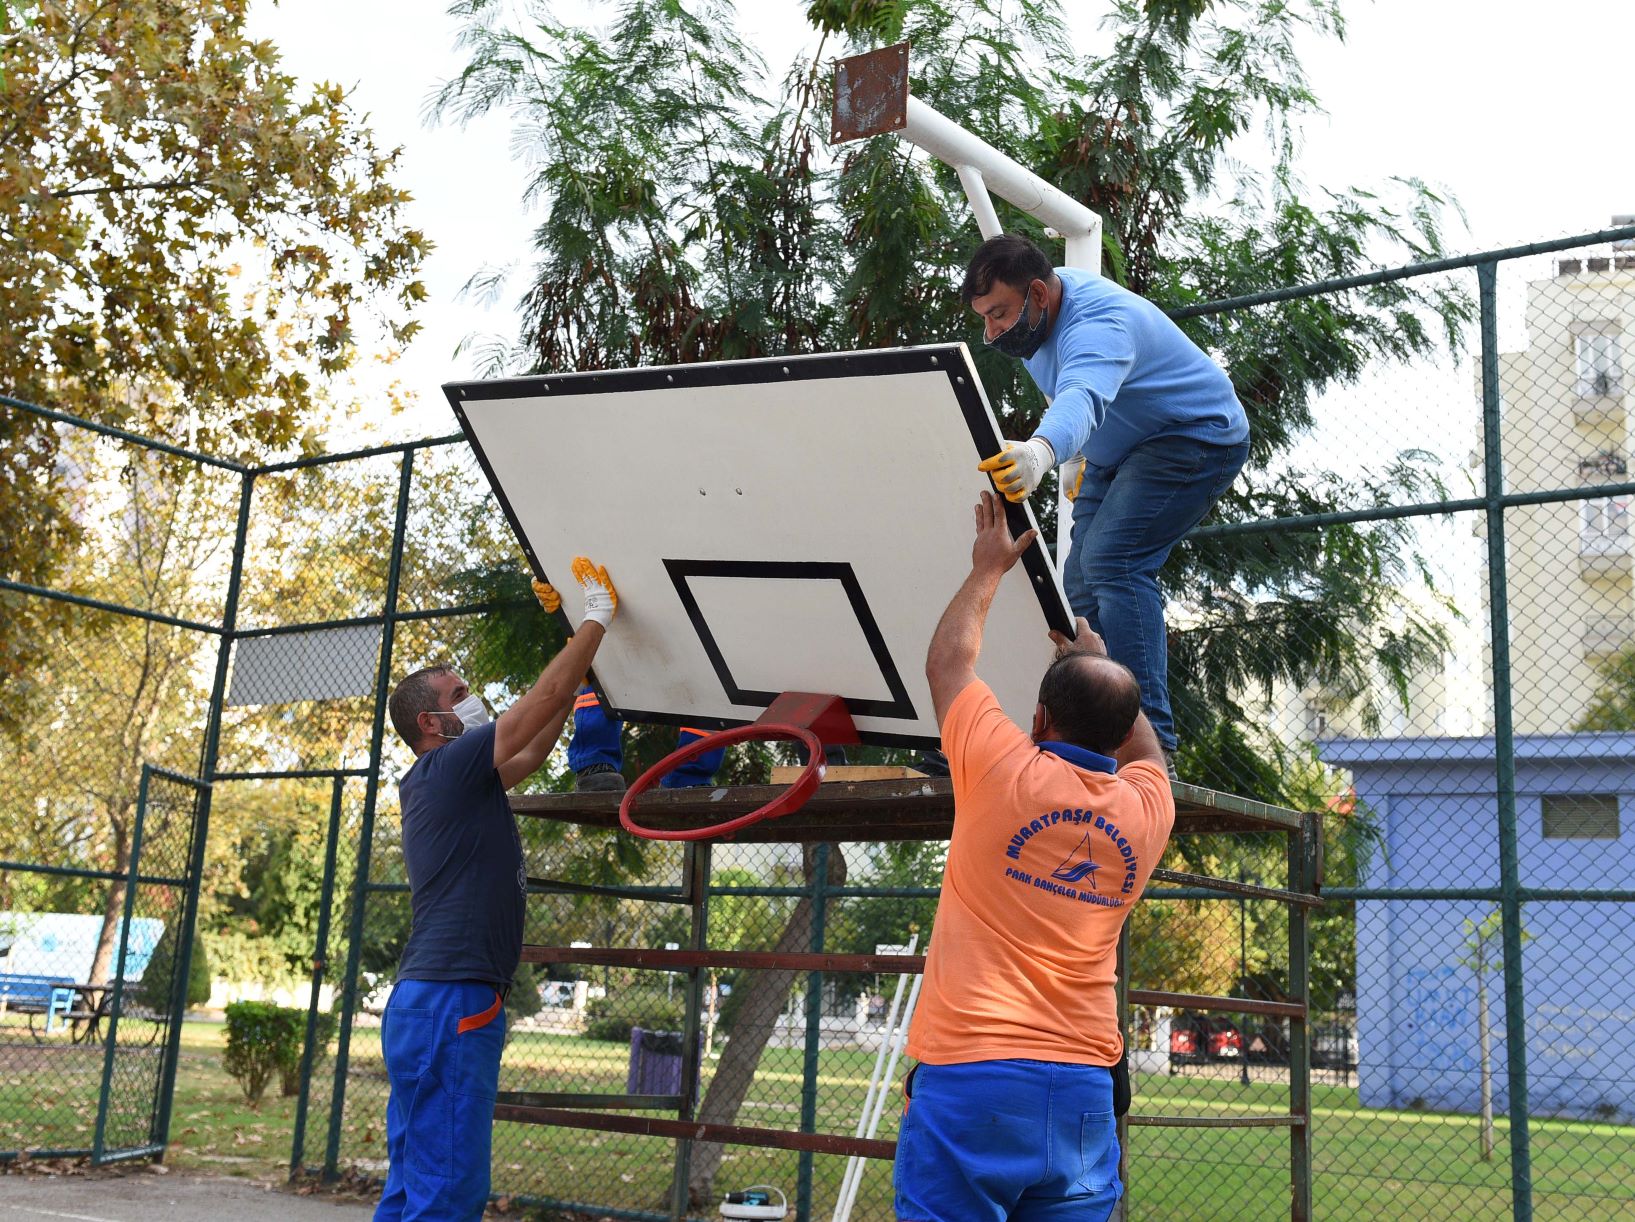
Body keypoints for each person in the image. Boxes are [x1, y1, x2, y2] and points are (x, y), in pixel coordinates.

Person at [893, 492, 1176, 1222]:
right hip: (1083, 1091)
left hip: (972, 1075)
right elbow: (1145, 752)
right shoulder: (1147, 810)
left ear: (1039, 719)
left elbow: (946, 663)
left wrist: (987, 568)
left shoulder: (999, 770)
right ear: (1118, 738)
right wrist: (1102, 665)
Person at [374, 557, 618, 1222]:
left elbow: (536, 742)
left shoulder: (455, 779)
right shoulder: (448, 767)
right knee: (447, 1187)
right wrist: (594, 620)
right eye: (459, 695)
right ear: (431, 723)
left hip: (431, 1000)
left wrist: (576, 649)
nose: (472, 699)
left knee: (415, 1178)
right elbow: (532, 708)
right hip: (452, 999)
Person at [965, 233, 1250, 778]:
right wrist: (1078, 453)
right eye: (984, 318)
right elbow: (1075, 393)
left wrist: (1045, 450)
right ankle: (1092, 731)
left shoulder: (1099, 321)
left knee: (1114, 562)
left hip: (1195, 436)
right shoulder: (1035, 329)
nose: (992, 331)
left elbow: (1084, 394)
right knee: (1079, 586)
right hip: (1118, 451)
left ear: (1039, 294)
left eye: (999, 313)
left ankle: (1151, 742)